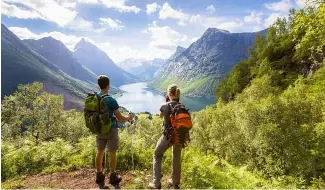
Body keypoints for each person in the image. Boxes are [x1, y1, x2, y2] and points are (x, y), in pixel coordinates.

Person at [95, 75, 133, 189]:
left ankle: (99, 175)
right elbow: (120, 117)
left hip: (99, 129)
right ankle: (112, 176)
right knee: (112, 152)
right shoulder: (111, 100)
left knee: (100, 151)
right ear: (108, 85)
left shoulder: (95, 98)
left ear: (99, 85)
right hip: (111, 129)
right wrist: (128, 117)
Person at [149, 84, 183, 189]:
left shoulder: (165, 105)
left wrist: (166, 101)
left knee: (157, 154)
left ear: (169, 94)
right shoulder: (182, 106)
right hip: (179, 136)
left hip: (167, 136)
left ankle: (156, 183)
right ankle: (175, 182)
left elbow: (160, 116)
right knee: (176, 157)